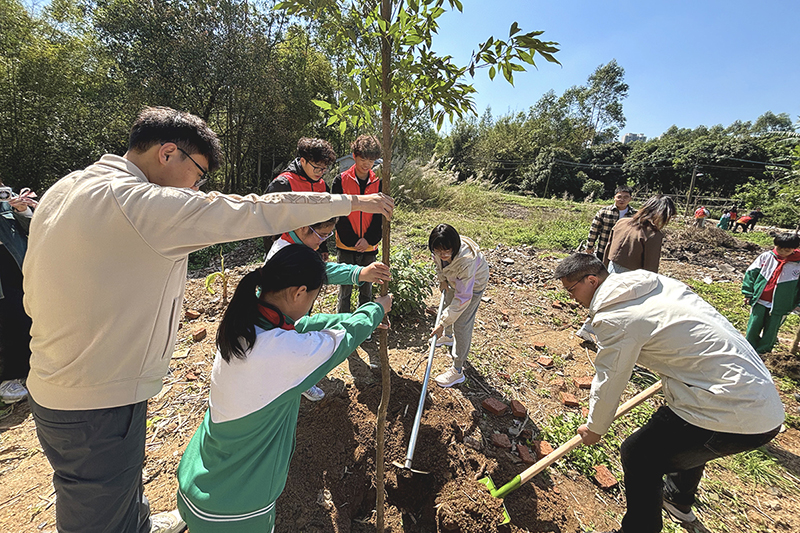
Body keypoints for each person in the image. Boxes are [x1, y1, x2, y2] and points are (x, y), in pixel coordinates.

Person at [22, 106, 394, 533]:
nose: (196, 188)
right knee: (98, 514)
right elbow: (253, 210)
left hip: (56, 379)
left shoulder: (68, 187)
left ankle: (137, 520)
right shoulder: (138, 203)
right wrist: (352, 202)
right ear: (167, 154)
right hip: (98, 397)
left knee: (103, 491)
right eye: (198, 176)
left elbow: (31, 282)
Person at [554, 253, 784, 533]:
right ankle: (676, 497)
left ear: (591, 280)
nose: (570, 296)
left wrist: (595, 427)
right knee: (680, 439)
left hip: (732, 409)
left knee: (639, 453)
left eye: (571, 289)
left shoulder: (616, 316)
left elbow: (611, 377)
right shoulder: (657, 285)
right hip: (759, 398)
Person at [176, 244, 392, 532]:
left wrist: (348, 317)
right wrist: (376, 309)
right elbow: (341, 341)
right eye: (313, 297)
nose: (310, 305)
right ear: (298, 293)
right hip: (235, 506)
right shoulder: (284, 353)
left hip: (199, 476)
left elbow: (303, 325)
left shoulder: (247, 318)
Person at [267, 217, 391, 397]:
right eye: (322, 235)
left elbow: (310, 320)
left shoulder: (291, 244)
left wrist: (360, 275)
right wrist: (369, 317)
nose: (323, 241)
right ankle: (299, 379)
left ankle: (298, 377)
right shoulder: (288, 256)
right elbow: (337, 340)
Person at [428, 224, 490, 388]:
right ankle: (448, 337)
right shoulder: (439, 251)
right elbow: (439, 263)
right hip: (454, 278)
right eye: (438, 251)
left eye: (447, 251)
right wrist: (442, 278)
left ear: (454, 247)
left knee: (462, 324)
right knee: (448, 302)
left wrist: (442, 323)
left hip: (473, 284)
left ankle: (457, 370)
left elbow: (463, 297)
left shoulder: (465, 261)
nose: (443, 255)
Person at [332, 135, 383, 314]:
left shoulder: (379, 182)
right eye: (363, 159)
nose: (367, 164)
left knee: (366, 290)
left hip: (369, 246)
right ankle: (343, 323)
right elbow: (338, 214)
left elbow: (379, 216)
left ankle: (363, 326)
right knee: (345, 289)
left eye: (371, 160)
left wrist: (368, 240)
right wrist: (353, 240)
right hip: (346, 244)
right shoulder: (340, 180)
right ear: (354, 156)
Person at [0, 183, 37, 404]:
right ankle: (10, 379)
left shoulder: (9, 200)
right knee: (12, 321)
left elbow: (34, 228)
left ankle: (31, 371)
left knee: (31, 315)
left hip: (21, 265)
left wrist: (23, 210)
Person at [742, 232, 800, 354]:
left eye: (787, 250)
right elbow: (751, 273)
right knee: (754, 324)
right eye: (779, 249)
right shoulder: (767, 257)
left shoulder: (797, 263)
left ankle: (764, 351)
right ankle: (749, 349)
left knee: (772, 329)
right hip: (761, 299)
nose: (782, 252)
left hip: (782, 303)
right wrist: (748, 292)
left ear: (794, 249)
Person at [603, 195, 676, 274]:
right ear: (663, 215)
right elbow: (651, 265)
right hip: (631, 275)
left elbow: (608, 247)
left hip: (611, 267)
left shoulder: (621, 222)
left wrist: (603, 271)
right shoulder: (653, 234)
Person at [585, 186, 636, 262]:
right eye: (619, 197)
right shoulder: (604, 212)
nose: (622, 200)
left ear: (630, 199)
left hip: (625, 252)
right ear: (614, 197)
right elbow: (594, 230)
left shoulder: (636, 215)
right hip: (604, 249)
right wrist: (589, 246)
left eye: (626, 197)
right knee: (602, 272)